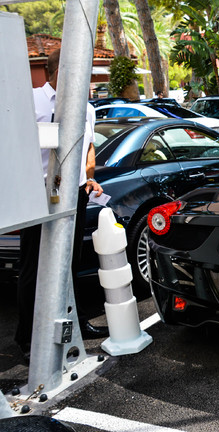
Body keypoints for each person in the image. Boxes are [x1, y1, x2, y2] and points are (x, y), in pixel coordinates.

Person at [16, 48, 107, 360]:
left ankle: (76, 325)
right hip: (40, 191)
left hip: (76, 191)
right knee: (34, 265)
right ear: (57, 73)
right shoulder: (30, 100)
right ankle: (28, 338)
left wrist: (88, 176)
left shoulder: (87, 107)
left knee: (71, 262)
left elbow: (89, 147)